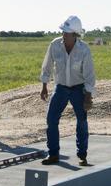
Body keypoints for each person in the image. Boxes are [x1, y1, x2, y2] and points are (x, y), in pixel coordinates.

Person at [39, 15, 96, 165]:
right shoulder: (55, 45)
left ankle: (82, 154)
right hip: (60, 87)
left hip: (79, 89)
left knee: (82, 121)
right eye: (63, 32)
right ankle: (53, 154)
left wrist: (88, 96)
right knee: (51, 119)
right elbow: (47, 66)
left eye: (67, 33)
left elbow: (89, 74)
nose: (64, 35)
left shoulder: (84, 50)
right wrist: (44, 86)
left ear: (75, 35)